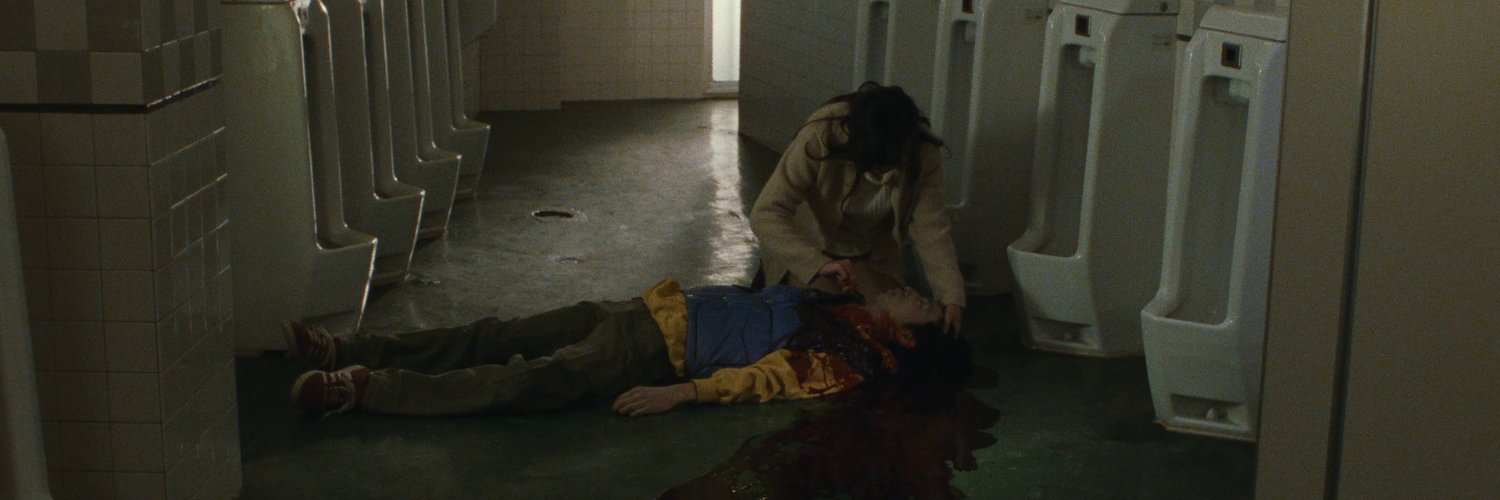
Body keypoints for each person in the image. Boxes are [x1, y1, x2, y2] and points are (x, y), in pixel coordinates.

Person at [284, 278, 946, 417]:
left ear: (908, 334)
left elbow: (763, 380)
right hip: (642, 310)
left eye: (917, 301)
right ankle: (350, 347)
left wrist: (679, 393)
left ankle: (367, 389)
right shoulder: (837, 300)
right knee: (496, 333)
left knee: (521, 379)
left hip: (650, 355)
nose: (907, 289)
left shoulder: (846, 359)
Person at [750, 82, 966, 335]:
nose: (882, 174)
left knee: (886, 323)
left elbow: (932, 229)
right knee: (830, 320)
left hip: (870, 255)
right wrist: (817, 264)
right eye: (877, 166)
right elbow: (765, 213)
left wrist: (951, 295)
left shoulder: (922, 151)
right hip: (812, 247)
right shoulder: (821, 135)